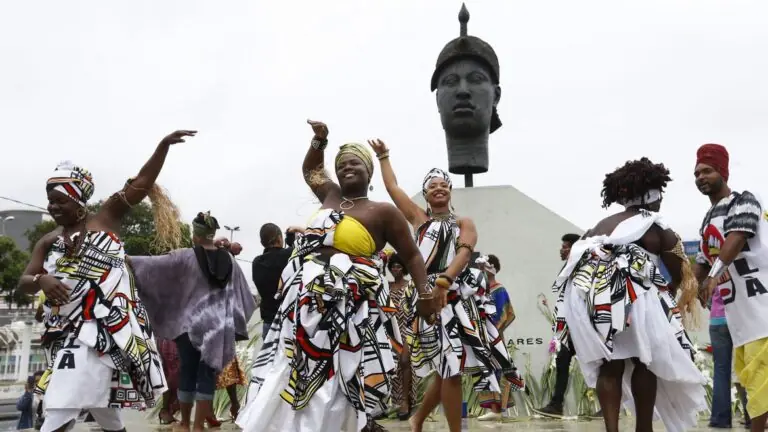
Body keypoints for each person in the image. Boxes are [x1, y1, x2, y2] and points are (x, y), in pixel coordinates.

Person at [236, 120, 435, 432]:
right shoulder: (329, 194)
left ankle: (352, 423)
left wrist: (425, 294)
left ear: (369, 171)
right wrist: (320, 140)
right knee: (296, 366)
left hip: (352, 305)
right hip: (307, 302)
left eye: (355, 163)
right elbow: (310, 171)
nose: (347, 168)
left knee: (345, 367)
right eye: (341, 165)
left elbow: (411, 255)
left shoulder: (383, 211)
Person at [17, 130, 194, 432]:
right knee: (102, 410)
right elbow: (24, 281)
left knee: (62, 405)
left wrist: (162, 147)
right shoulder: (48, 241)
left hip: (107, 330)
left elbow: (141, 183)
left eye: (60, 201)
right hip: (68, 333)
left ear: (77, 199)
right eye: (50, 201)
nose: (53, 207)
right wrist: (41, 279)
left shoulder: (105, 219)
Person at [369, 138, 524, 432]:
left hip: (456, 300)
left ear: (450, 190)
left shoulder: (464, 222)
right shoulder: (418, 219)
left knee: (448, 368)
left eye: (443, 184)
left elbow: (465, 251)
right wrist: (384, 156)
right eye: (432, 186)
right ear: (426, 194)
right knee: (449, 366)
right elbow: (392, 188)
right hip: (428, 299)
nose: (438, 188)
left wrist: (445, 281)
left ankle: (417, 419)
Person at [553, 157, 706, 432]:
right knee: (644, 362)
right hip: (635, 302)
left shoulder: (599, 226)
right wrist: (668, 301)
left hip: (592, 304)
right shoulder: (655, 226)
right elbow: (680, 273)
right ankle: (643, 428)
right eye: (660, 195)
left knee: (609, 366)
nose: (661, 201)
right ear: (651, 195)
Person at [129, 211, 256, 432]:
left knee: (187, 371)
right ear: (212, 234)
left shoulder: (184, 257)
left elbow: (154, 266)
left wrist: (129, 259)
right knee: (207, 375)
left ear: (196, 236)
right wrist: (231, 324)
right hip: (217, 330)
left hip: (188, 327)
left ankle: (185, 423)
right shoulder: (230, 261)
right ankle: (199, 426)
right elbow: (245, 296)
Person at [694, 143, 768, 432]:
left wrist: (714, 276)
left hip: (761, 308)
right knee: (747, 378)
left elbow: (737, 237)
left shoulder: (745, 201)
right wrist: (687, 292)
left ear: (723, 172)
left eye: (707, 171)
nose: (701, 177)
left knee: (761, 380)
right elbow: (702, 260)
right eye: (697, 173)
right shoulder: (708, 218)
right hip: (739, 316)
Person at [536, 233, 582, 418]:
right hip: (570, 327)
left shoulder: (581, 268)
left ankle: (610, 404)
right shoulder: (568, 268)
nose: (561, 250)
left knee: (599, 365)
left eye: (565, 247)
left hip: (580, 326)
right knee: (563, 360)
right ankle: (556, 404)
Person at [476, 254, 516, 422]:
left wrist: (493, 331)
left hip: (494, 336)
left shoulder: (499, 290)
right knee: (486, 370)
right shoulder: (479, 289)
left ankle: (498, 408)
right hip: (481, 335)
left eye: (485, 265)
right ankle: (493, 408)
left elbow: (505, 313)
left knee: (497, 369)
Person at [252, 223, 302, 339]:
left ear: (262, 242)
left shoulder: (257, 262)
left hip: (268, 324)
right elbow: (312, 241)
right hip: (289, 322)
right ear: (280, 238)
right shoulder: (289, 255)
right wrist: (297, 230)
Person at [386, 252, 417, 421]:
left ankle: (406, 400)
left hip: (406, 328)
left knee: (405, 361)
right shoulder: (387, 286)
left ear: (404, 268)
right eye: (392, 267)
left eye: (398, 266)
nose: (395, 269)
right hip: (391, 331)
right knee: (391, 366)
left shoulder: (409, 285)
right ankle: (394, 402)